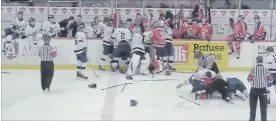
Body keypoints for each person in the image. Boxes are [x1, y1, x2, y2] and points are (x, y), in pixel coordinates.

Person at [247, 56, 273, 121]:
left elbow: (249, 78)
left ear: (257, 61)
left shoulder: (253, 69)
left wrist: (253, 81)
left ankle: (252, 119)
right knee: (263, 107)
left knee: (253, 108)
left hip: (254, 90)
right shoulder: (265, 69)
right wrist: (266, 81)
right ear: (262, 61)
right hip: (263, 90)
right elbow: (270, 79)